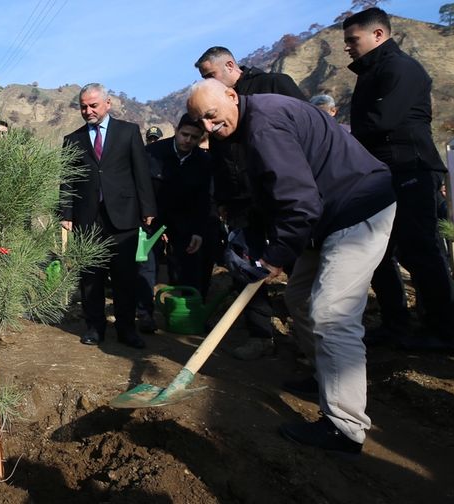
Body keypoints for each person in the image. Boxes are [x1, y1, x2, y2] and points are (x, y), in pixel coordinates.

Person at [187, 78, 395, 455]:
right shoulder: (252, 123)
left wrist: (274, 257)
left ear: (232, 96)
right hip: (326, 216)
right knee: (299, 298)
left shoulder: (265, 124)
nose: (207, 127)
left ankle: (345, 427)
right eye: (199, 120)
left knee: (331, 313)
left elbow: (299, 203)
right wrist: (263, 236)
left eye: (212, 115)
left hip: (356, 207)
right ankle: (325, 377)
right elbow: (276, 193)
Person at [343, 7, 454, 351]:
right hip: (384, 173)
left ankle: (441, 331)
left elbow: (381, 121)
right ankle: (396, 323)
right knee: (379, 253)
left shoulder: (400, 68)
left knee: (419, 250)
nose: (347, 47)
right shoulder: (373, 70)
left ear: (378, 35)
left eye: (353, 39)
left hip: (410, 168)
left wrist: (341, 141)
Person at [195, 46, 306, 360]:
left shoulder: (273, 85)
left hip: (281, 191)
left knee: (299, 262)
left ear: (230, 65)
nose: (208, 83)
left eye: (210, 75)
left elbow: (306, 129)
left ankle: (308, 335)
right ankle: (260, 334)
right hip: (242, 200)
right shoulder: (213, 106)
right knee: (245, 265)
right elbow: (218, 155)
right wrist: (223, 198)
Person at [60, 83, 156, 348]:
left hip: (124, 217)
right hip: (87, 218)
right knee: (91, 278)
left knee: (125, 277)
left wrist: (148, 209)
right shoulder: (73, 139)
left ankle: (127, 329)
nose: (88, 111)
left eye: (93, 105)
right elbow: (67, 180)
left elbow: (141, 173)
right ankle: (94, 327)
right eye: (83, 106)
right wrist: (66, 212)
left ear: (107, 103)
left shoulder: (128, 132)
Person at [146, 114, 213, 294]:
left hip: (185, 219)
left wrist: (198, 231)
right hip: (153, 217)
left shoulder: (204, 161)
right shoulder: (153, 152)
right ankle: (144, 314)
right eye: (184, 134)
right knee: (146, 267)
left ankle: (183, 313)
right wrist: (145, 212)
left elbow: (203, 198)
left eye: (194, 137)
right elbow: (141, 186)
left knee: (186, 268)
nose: (188, 140)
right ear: (176, 131)